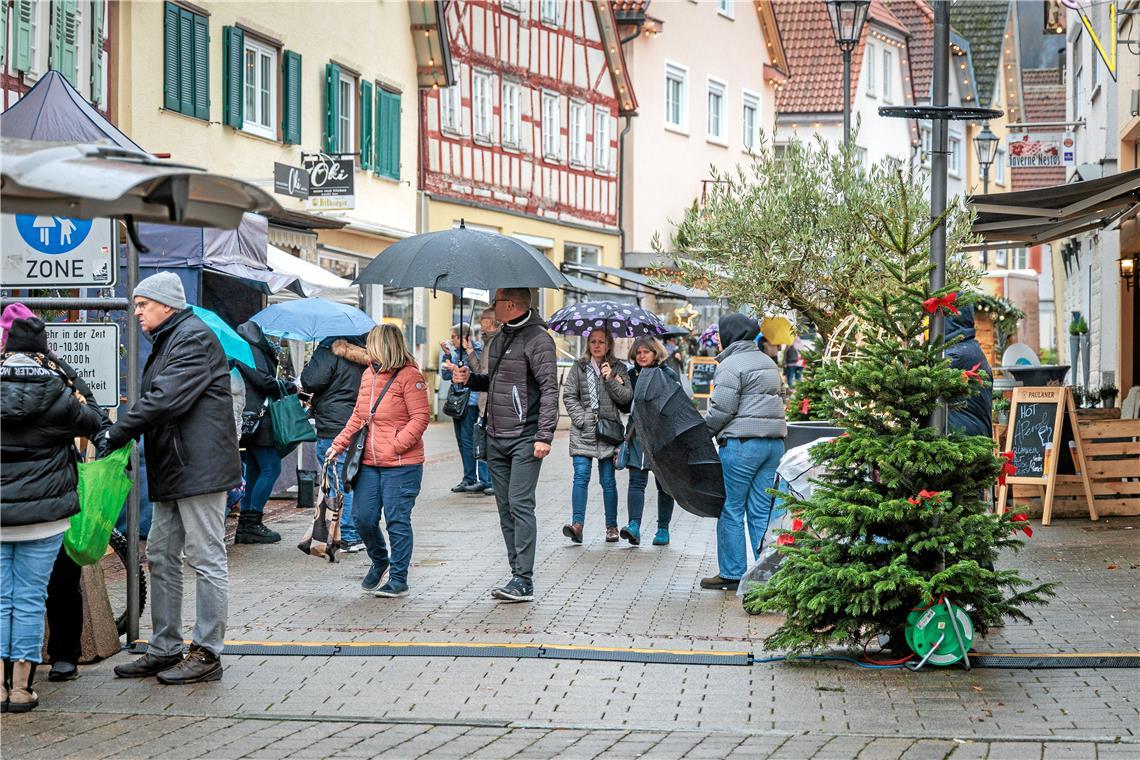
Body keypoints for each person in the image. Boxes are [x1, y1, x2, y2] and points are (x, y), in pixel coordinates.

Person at [102, 272, 241, 684]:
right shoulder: (169, 339)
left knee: (206, 557)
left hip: (199, 469)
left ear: (166, 305)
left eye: (143, 304)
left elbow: (163, 399)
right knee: (161, 554)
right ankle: (165, 647)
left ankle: (208, 651)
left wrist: (117, 430)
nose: (137, 311)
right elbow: (157, 399)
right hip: (176, 467)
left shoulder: (191, 337)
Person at [1, 315, 103, 712]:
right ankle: (23, 689)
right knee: (29, 599)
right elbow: (96, 420)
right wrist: (67, 373)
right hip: (44, 517)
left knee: (1, 599)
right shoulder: (58, 390)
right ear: (44, 348)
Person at [446, 288, 558, 603]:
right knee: (505, 507)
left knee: (520, 505)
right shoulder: (499, 339)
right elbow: (493, 381)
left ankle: (524, 579)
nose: (491, 307)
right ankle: (515, 575)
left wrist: (544, 435)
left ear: (510, 305)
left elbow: (550, 389)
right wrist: (469, 379)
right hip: (495, 434)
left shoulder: (539, 339)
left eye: (495, 302)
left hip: (526, 436)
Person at [326, 324, 429, 598]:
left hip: (402, 465)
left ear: (385, 345)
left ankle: (398, 578)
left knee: (397, 520)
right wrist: (339, 444)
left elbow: (421, 418)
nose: (367, 348)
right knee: (363, 518)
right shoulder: (368, 375)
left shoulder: (410, 376)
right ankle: (379, 558)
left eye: (371, 343)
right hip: (369, 463)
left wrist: (396, 445)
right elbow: (359, 417)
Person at [702, 313, 787, 591]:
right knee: (762, 511)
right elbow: (779, 400)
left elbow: (722, 409)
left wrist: (703, 432)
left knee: (731, 508)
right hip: (773, 446)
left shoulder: (731, 364)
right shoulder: (767, 361)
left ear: (729, 335)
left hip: (742, 445)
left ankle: (732, 573)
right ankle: (768, 574)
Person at [560, 330, 632, 543]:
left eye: (601, 342)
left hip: (608, 432)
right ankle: (577, 525)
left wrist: (610, 379)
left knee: (608, 481)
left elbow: (626, 398)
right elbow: (569, 395)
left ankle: (612, 527)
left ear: (608, 345)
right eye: (593, 341)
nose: (597, 345)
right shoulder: (579, 366)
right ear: (588, 344)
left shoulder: (619, 368)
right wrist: (581, 419)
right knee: (580, 477)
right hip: (583, 431)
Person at [301, 333, 369, 551]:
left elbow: (311, 380)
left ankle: (346, 535)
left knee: (337, 481)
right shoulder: (367, 353)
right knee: (350, 478)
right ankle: (348, 532)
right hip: (357, 423)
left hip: (332, 424)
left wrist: (315, 358)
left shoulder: (329, 347)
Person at [234, 321, 296, 545]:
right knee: (270, 468)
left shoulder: (240, 349)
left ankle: (245, 524)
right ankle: (253, 522)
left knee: (254, 469)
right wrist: (290, 387)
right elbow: (263, 381)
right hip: (261, 419)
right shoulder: (254, 351)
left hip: (249, 417)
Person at [620, 336, 679, 547]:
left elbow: (676, 405)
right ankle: (633, 525)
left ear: (655, 353)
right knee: (636, 480)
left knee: (664, 484)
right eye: (638, 352)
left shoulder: (668, 374)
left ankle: (663, 529)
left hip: (663, 437)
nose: (642, 356)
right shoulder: (630, 375)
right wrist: (617, 386)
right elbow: (625, 407)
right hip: (637, 435)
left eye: (646, 351)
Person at [439, 323, 491, 494]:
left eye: (453, 337)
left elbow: (478, 373)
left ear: (462, 338)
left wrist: (459, 369)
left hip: (472, 401)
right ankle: (469, 477)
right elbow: (447, 376)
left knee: (473, 442)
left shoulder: (476, 351)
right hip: (458, 402)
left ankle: (485, 480)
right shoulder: (456, 353)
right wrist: (446, 356)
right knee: (462, 442)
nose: (451, 340)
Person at [944, 302, 993, 438]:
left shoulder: (957, 354)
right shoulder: (968, 348)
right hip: (970, 436)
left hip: (963, 439)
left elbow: (921, 378)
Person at [473, 308, 501, 497]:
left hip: (494, 401)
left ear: (490, 321)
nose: (480, 321)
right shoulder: (486, 342)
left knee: (492, 443)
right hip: (483, 401)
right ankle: (486, 480)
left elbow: (488, 375)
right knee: (482, 441)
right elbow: (479, 371)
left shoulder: (497, 342)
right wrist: (468, 351)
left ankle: (493, 481)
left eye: (483, 318)